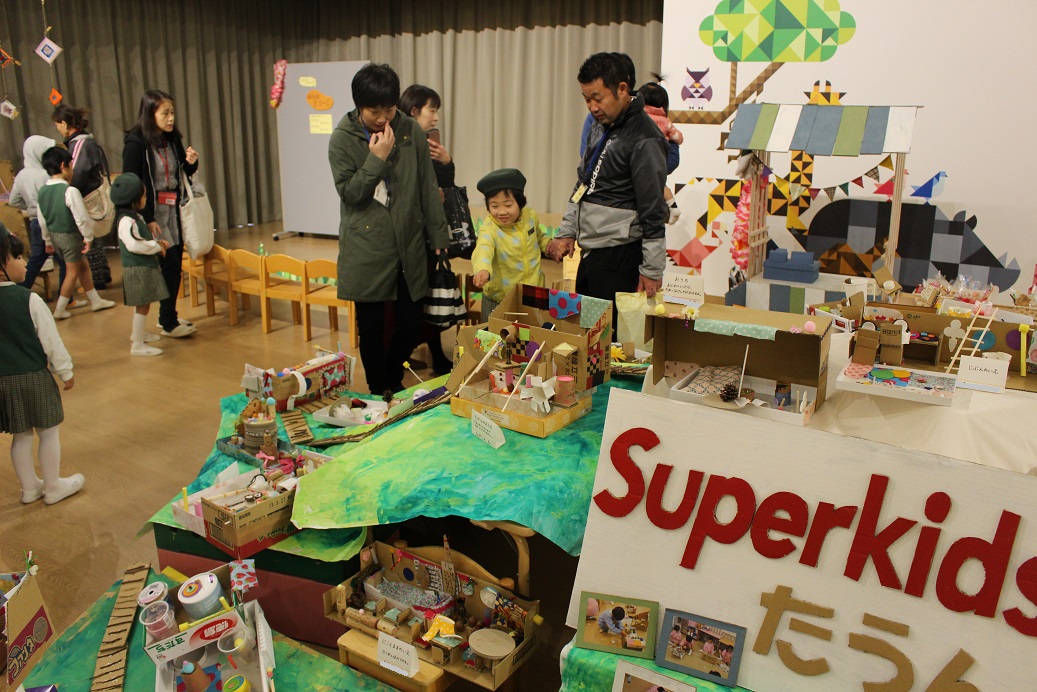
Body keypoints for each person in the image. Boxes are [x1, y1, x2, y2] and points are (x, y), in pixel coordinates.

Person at [329, 64, 450, 395]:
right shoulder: (342, 139)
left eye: (389, 109)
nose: (383, 118)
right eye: (374, 112)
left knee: (410, 322)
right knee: (370, 327)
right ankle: (378, 388)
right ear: (359, 106)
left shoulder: (409, 129)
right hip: (366, 245)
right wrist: (376, 159)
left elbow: (427, 185)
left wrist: (439, 235)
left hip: (409, 241)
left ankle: (392, 377)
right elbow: (351, 193)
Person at [548, 52, 668, 309]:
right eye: (586, 99)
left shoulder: (646, 138)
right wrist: (567, 231)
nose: (592, 107)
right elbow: (583, 183)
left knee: (613, 333)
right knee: (587, 328)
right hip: (591, 253)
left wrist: (652, 269)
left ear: (622, 89)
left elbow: (653, 208)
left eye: (598, 98)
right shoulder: (599, 125)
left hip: (621, 256)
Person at [0, 223, 84, 505]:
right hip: (34, 378)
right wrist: (66, 371)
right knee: (48, 432)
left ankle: (29, 489)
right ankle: (53, 486)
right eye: (17, 257)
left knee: (21, 436)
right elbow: (51, 342)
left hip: (3, 383)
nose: (24, 263)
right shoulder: (29, 300)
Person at [122, 90, 200, 339]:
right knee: (168, 265)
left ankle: (167, 317)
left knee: (174, 265)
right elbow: (131, 183)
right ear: (150, 114)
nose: (171, 118)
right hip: (151, 215)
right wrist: (147, 217)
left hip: (173, 212)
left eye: (172, 112)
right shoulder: (135, 144)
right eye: (165, 113)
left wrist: (191, 162)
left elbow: (181, 173)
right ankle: (167, 320)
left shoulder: (172, 139)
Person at [401, 83, 455, 375]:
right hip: (411, 235)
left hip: (429, 232)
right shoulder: (402, 144)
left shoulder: (427, 144)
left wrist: (446, 163)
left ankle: (434, 355)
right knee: (414, 300)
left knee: (430, 296)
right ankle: (405, 354)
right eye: (431, 110)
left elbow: (443, 187)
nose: (435, 117)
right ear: (413, 111)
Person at [37, 147, 116, 319]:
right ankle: (60, 309)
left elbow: (42, 219)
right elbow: (81, 218)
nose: (73, 170)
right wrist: (88, 237)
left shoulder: (42, 191)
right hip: (70, 236)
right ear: (63, 166)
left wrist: (47, 240)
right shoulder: (70, 191)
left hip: (55, 236)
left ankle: (95, 300)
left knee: (82, 267)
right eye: (71, 166)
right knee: (72, 272)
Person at [471, 168, 548, 321]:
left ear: (520, 202)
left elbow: (539, 238)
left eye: (508, 205)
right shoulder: (490, 227)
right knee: (495, 335)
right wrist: (482, 269)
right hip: (499, 299)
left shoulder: (530, 216)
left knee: (533, 334)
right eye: (494, 206)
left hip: (533, 294)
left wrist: (550, 246)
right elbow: (483, 248)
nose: (501, 212)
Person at [52, 104, 113, 288]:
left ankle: (97, 279)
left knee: (89, 238)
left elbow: (76, 175)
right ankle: (102, 275)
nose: (57, 128)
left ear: (64, 124)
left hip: (86, 197)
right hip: (90, 195)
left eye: (57, 124)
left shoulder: (80, 144)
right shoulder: (84, 141)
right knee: (93, 236)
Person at [111, 173, 171, 356]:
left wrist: (156, 244)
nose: (146, 199)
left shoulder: (135, 218)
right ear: (133, 200)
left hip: (142, 267)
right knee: (143, 305)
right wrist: (156, 247)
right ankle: (137, 344)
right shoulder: (126, 221)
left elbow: (141, 240)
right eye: (144, 196)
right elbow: (135, 245)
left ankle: (138, 334)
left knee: (144, 305)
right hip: (137, 269)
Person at [9, 135, 67, 295]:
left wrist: (31, 206)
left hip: (35, 222)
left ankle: (19, 292)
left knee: (35, 261)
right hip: (52, 222)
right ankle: (66, 298)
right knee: (64, 261)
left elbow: (13, 200)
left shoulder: (21, 175)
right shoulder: (46, 174)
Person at [639, 77, 683, 224]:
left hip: (644, 162)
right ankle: (672, 205)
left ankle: (671, 207)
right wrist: (677, 139)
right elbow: (677, 137)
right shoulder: (665, 122)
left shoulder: (637, 119)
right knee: (660, 184)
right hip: (660, 162)